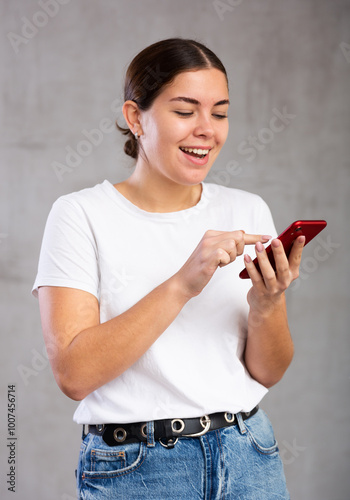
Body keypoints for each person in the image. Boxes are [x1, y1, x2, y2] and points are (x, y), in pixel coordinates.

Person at [32, 38, 305, 499]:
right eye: (185, 111)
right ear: (136, 117)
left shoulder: (248, 209)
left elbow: (268, 373)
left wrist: (267, 303)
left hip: (249, 456)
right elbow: (74, 375)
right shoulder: (80, 214)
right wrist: (182, 284)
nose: (207, 129)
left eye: (219, 113)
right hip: (138, 469)